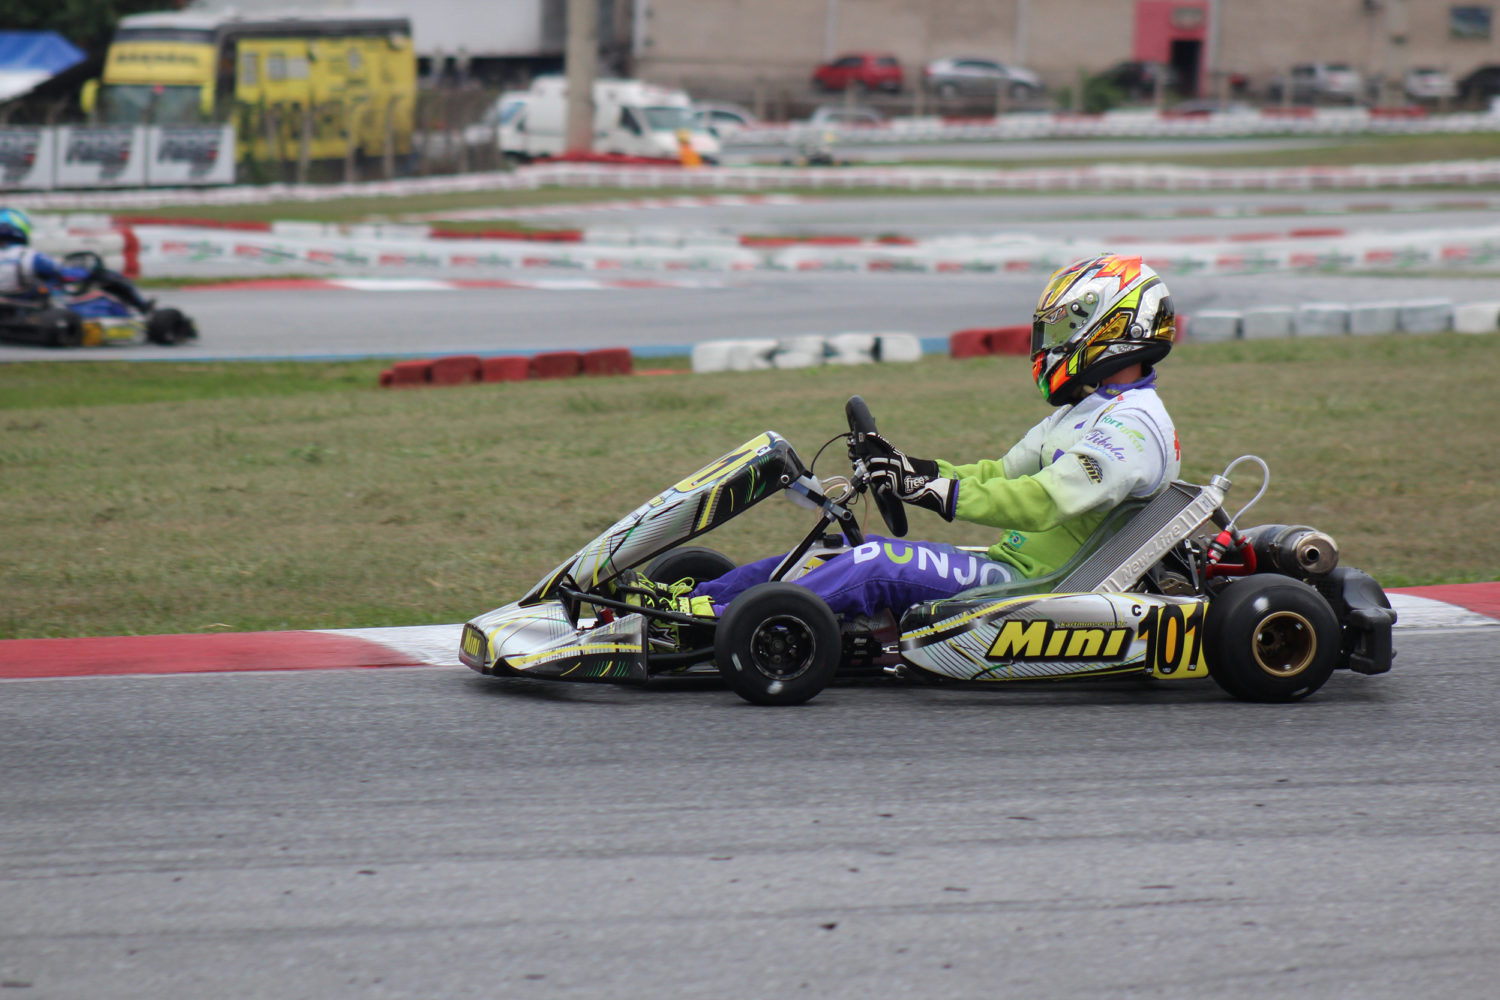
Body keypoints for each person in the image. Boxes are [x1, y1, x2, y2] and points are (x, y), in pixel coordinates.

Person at [615, 252, 1181, 627]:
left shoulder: (1134, 428)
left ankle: (706, 621)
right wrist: (909, 468)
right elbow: (997, 477)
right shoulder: (1087, 411)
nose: (1052, 343)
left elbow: (1041, 502)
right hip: (1013, 568)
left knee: (875, 561)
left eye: (1064, 328)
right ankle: (690, 600)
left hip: (1035, 587)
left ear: (1113, 327)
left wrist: (928, 492)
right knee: (832, 553)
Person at [0, 207, 154, 312]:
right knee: (105, 301)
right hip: (41, 308)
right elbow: (63, 274)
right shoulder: (28, 256)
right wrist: (90, 273)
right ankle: (142, 309)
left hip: (11, 305)